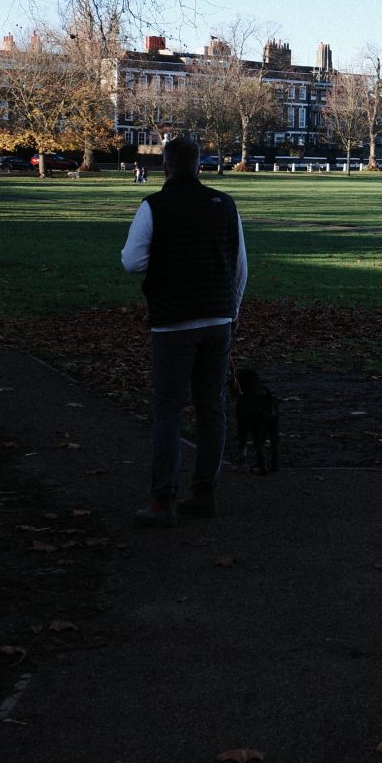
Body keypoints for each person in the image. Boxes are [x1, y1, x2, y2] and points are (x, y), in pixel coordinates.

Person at [121, 137, 247, 526]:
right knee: (212, 409)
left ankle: (162, 501)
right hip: (217, 318)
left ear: (165, 166)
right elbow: (239, 265)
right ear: (198, 166)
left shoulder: (153, 206)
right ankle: (204, 494)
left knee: (169, 410)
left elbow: (132, 262)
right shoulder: (224, 204)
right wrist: (232, 312)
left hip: (172, 320)